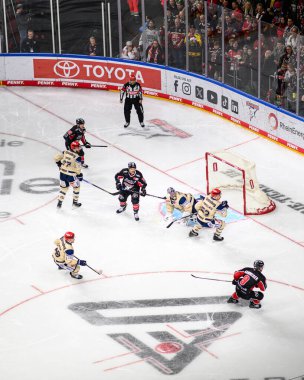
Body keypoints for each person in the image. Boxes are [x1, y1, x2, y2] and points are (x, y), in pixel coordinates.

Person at [54, 141, 83, 209]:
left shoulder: (65, 152)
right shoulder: (77, 157)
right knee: (76, 187)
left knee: (63, 188)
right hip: (71, 176)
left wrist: (59, 164)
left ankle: (59, 203)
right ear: (74, 148)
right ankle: (75, 203)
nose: (79, 148)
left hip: (62, 174)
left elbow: (56, 157)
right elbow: (78, 168)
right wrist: (79, 174)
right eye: (78, 147)